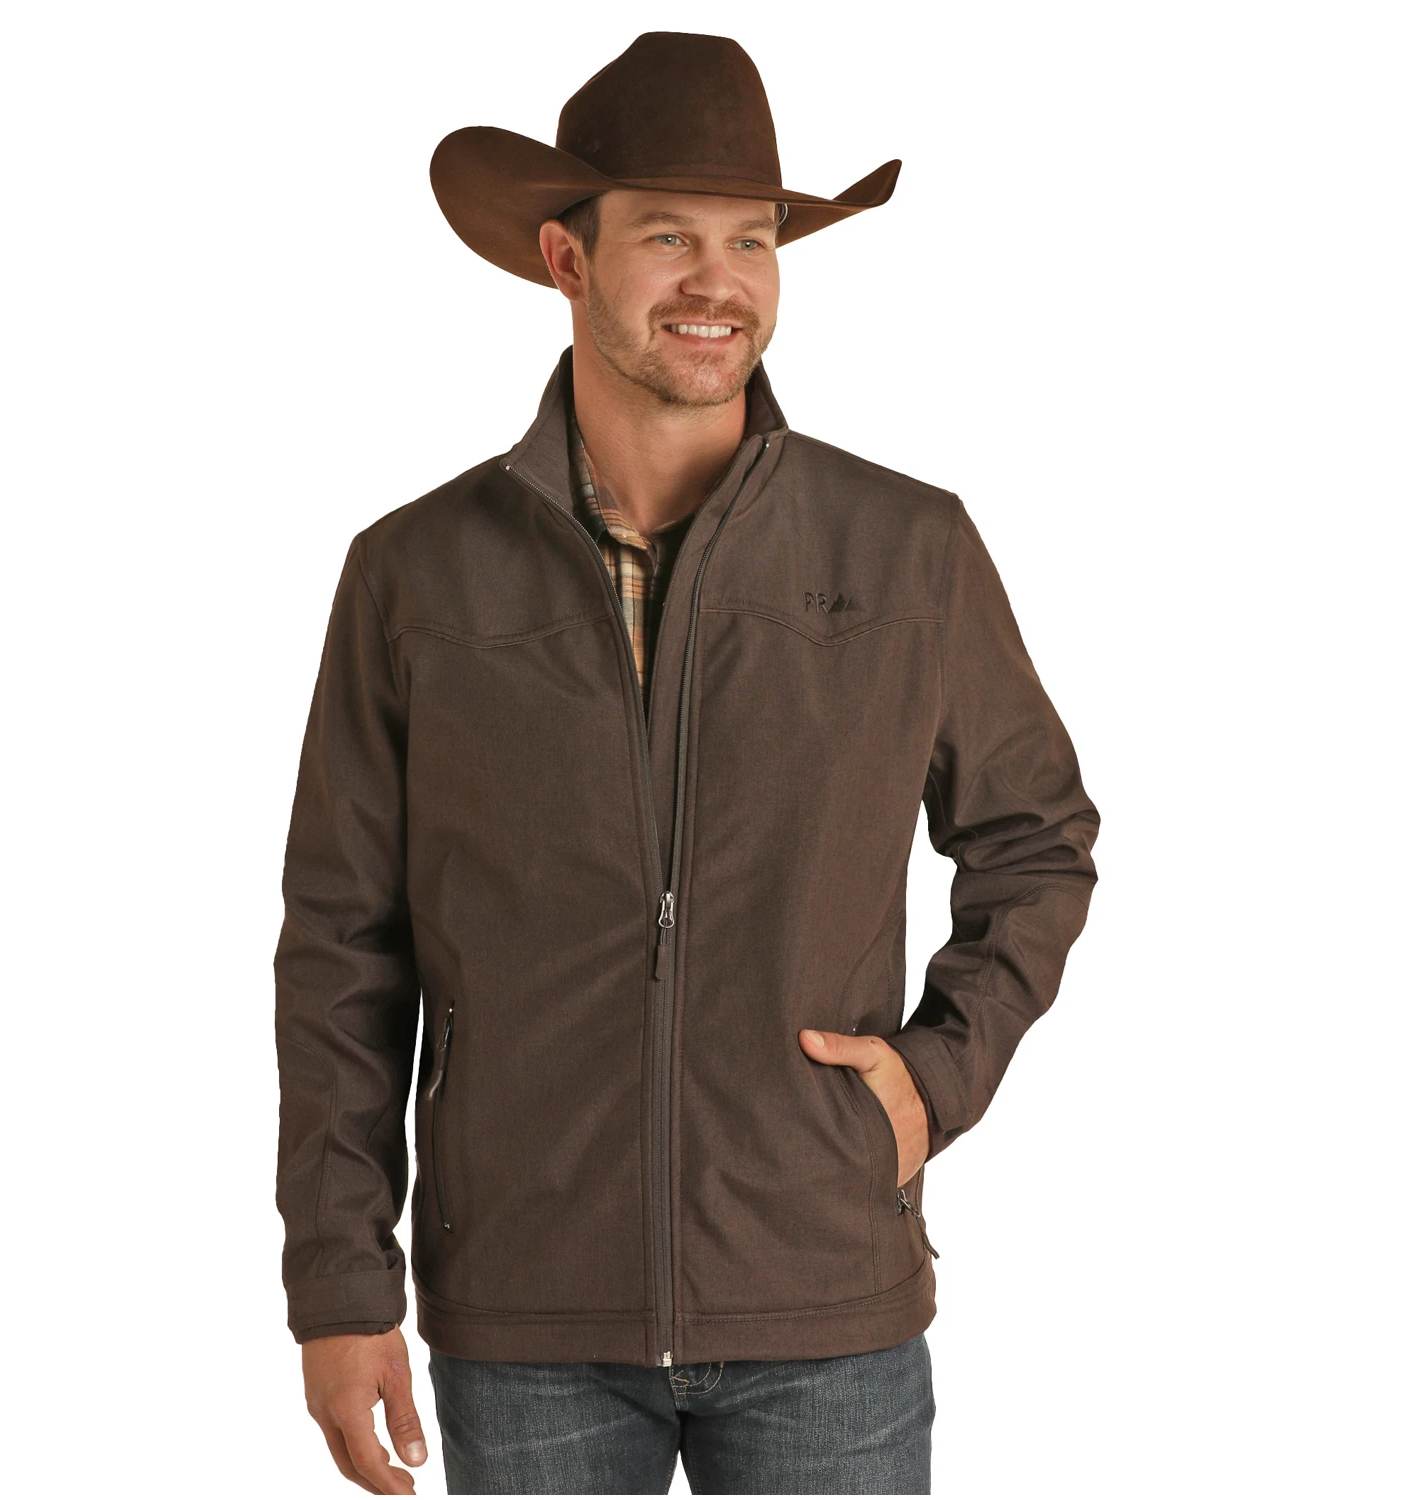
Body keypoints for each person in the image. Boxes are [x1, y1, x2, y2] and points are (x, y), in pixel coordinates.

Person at [275, 30, 1100, 1496]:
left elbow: (1035, 839)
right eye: (668, 236)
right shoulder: (415, 574)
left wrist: (937, 1074)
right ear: (566, 257)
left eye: (752, 240)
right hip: (524, 1315)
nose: (718, 282)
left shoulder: (905, 548)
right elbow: (342, 943)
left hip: (821, 1300)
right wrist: (341, 1286)